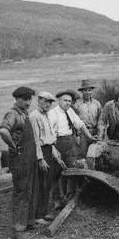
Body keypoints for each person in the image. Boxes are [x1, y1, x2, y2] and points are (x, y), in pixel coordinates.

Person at [0, 86, 38, 239]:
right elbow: (3, 130)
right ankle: (18, 230)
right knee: (21, 192)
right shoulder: (12, 113)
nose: (28, 102)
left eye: (29, 99)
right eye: (25, 99)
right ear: (17, 99)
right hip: (20, 159)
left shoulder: (24, 113)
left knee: (30, 189)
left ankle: (28, 222)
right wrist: (13, 146)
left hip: (29, 158)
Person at [48, 90, 99, 205]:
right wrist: (54, 150)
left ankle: (70, 197)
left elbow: (80, 124)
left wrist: (90, 137)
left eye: (70, 101)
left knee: (72, 170)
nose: (68, 103)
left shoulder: (70, 111)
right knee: (55, 174)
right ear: (58, 101)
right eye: (65, 100)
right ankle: (57, 200)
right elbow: (49, 134)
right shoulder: (52, 114)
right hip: (57, 143)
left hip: (70, 143)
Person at [29, 91, 67, 222]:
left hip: (48, 150)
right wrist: (40, 159)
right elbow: (35, 140)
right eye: (45, 101)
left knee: (47, 183)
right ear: (38, 101)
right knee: (41, 184)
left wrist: (56, 156)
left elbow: (50, 140)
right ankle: (37, 215)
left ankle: (43, 212)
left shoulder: (45, 115)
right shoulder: (34, 116)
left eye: (50, 102)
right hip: (40, 153)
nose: (48, 104)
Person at [74, 80, 102, 159]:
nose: (87, 92)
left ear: (91, 91)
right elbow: (74, 121)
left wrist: (100, 133)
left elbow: (100, 119)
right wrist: (77, 134)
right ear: (82, 92)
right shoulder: (77, 104)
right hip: (82, 133)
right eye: (85, 90)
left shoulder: (97, 104)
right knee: (83, 154)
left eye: (89, 90)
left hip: (94, 131)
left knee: (95, 154)